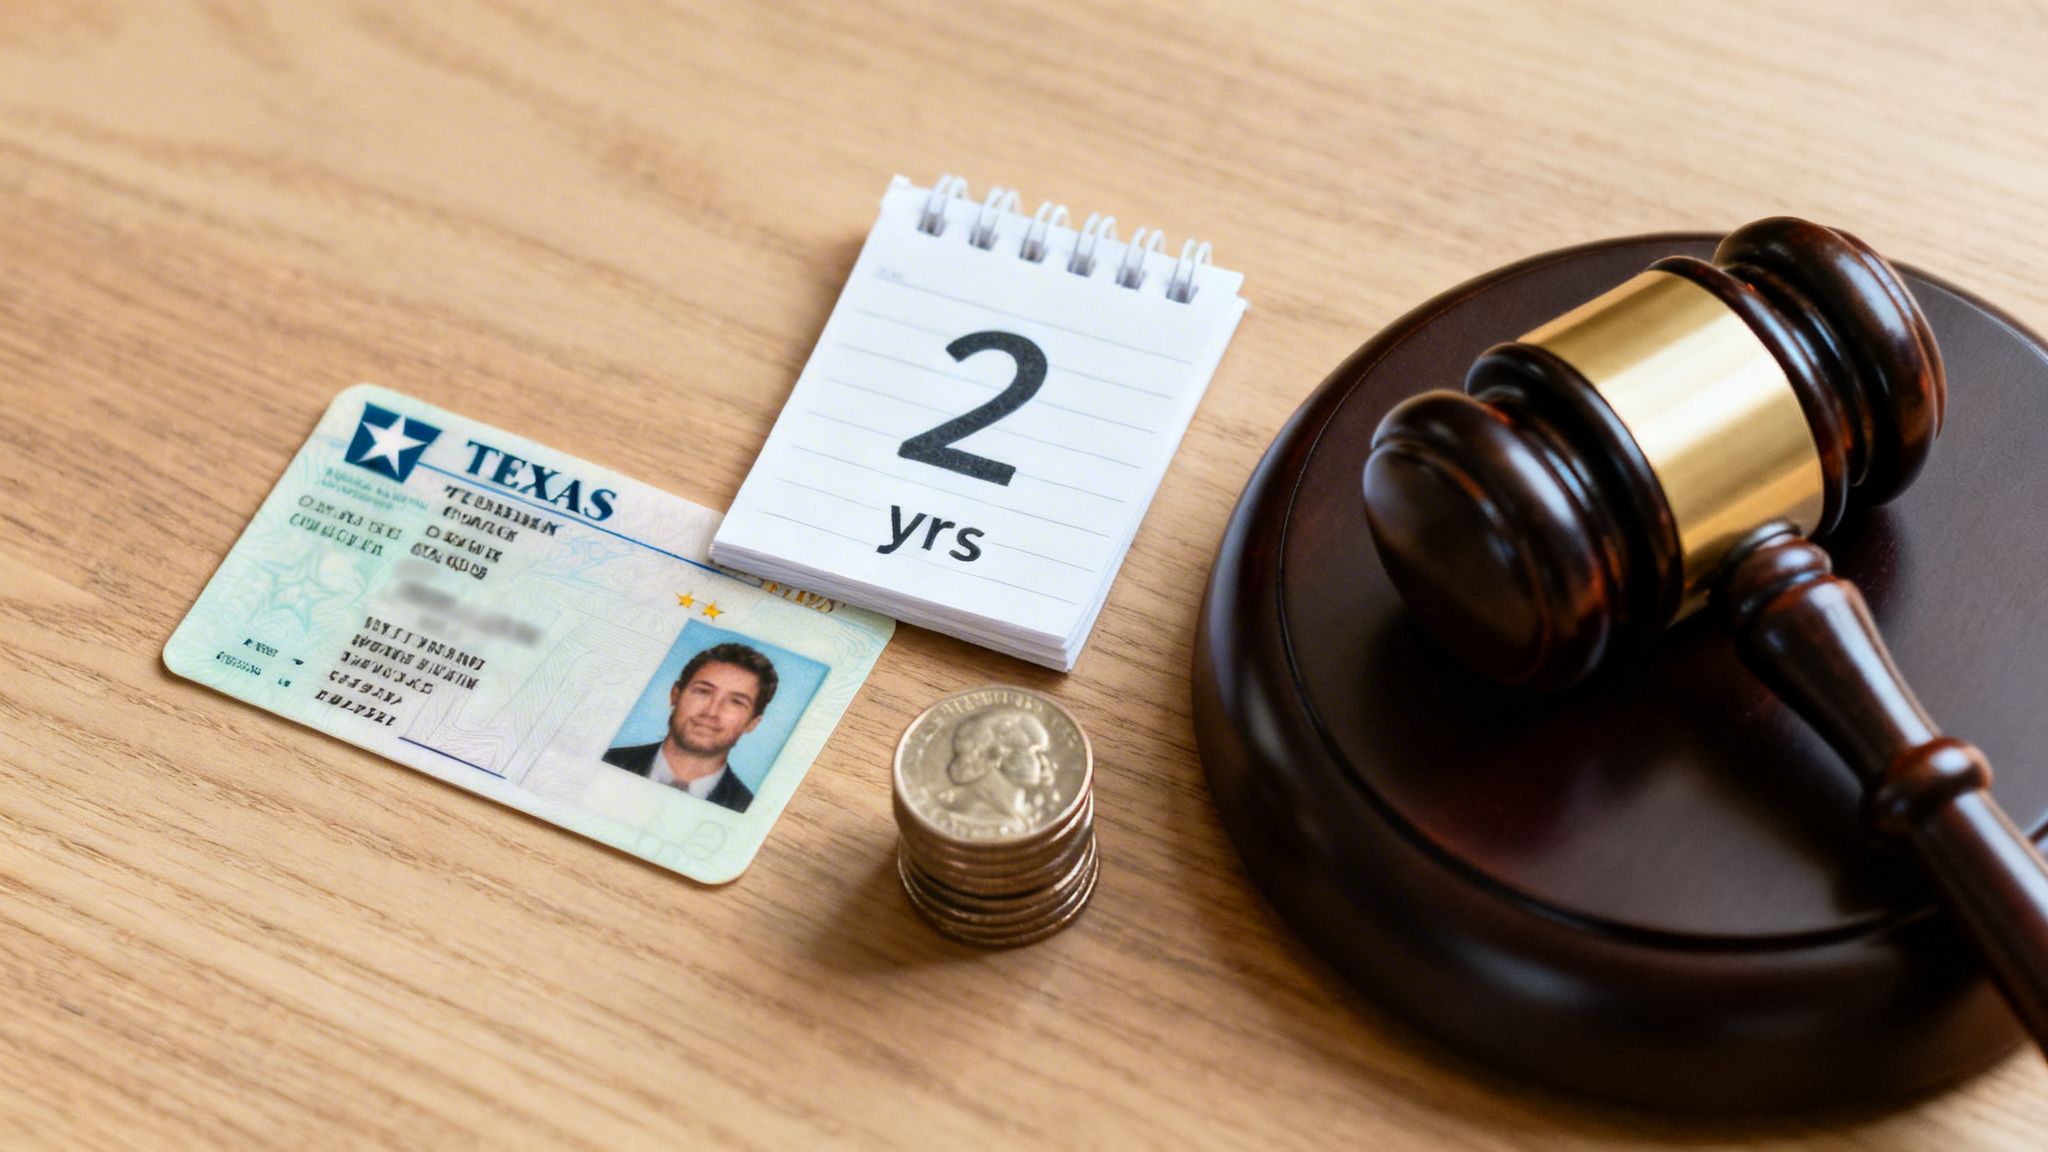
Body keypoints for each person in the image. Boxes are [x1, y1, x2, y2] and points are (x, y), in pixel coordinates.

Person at [603, 642, 779, 813]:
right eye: (703, 691)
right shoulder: (605, 759)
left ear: (752, 723)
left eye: (736, 702)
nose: (712, 711)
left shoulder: (746, 809)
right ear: (675, 695)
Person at [935, 706, 1057, 825]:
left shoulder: (1018, 812)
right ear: (1000, 755)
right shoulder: (977, 814)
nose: (1044, 763)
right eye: (1035, 752)